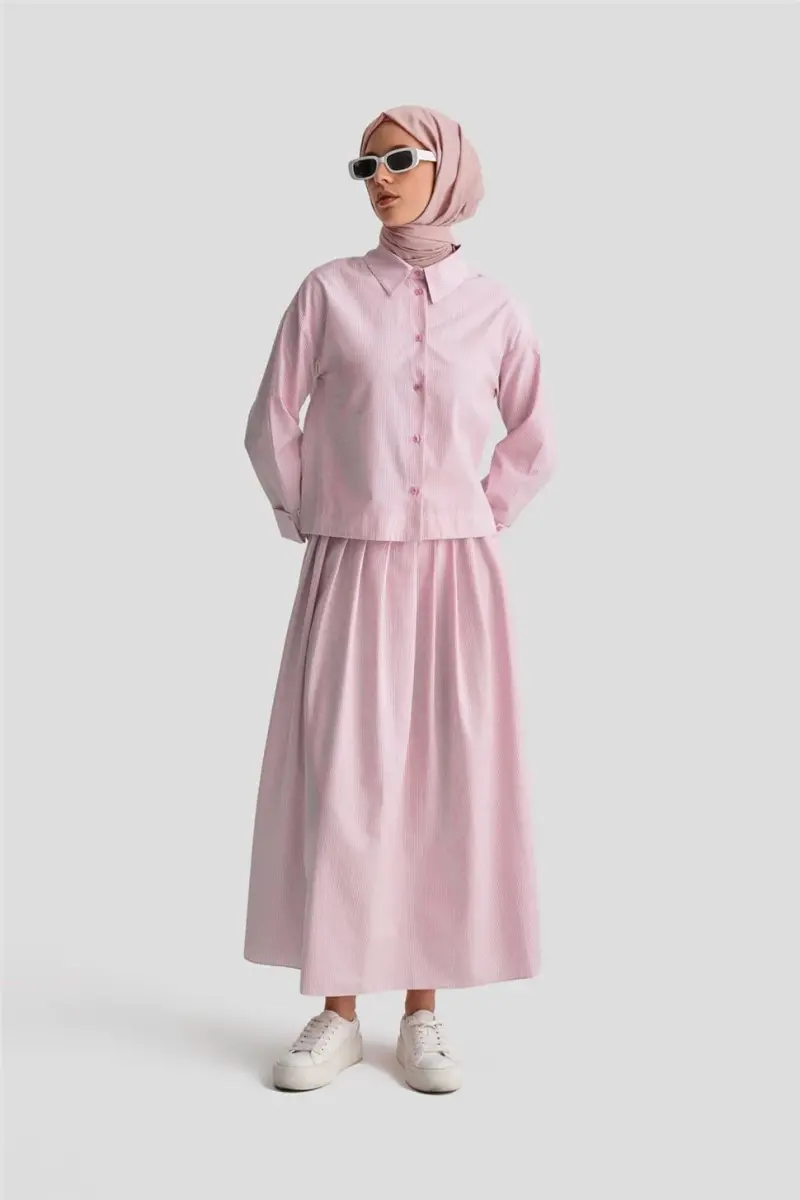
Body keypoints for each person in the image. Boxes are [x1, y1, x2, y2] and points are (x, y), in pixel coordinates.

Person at [242, 104, 555, 1093]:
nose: (378, 178)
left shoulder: (495, 309)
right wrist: (312, 511)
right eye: (365, 164)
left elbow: (535, 436)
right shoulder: (328, 292)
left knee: (446, 778)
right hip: (354, 563)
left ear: (446, 170)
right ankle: (337, 1010)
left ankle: (424, 1011)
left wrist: (477, 511)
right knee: (344, 774)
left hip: (458, 574)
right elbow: (270, 418)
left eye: (399, 160)